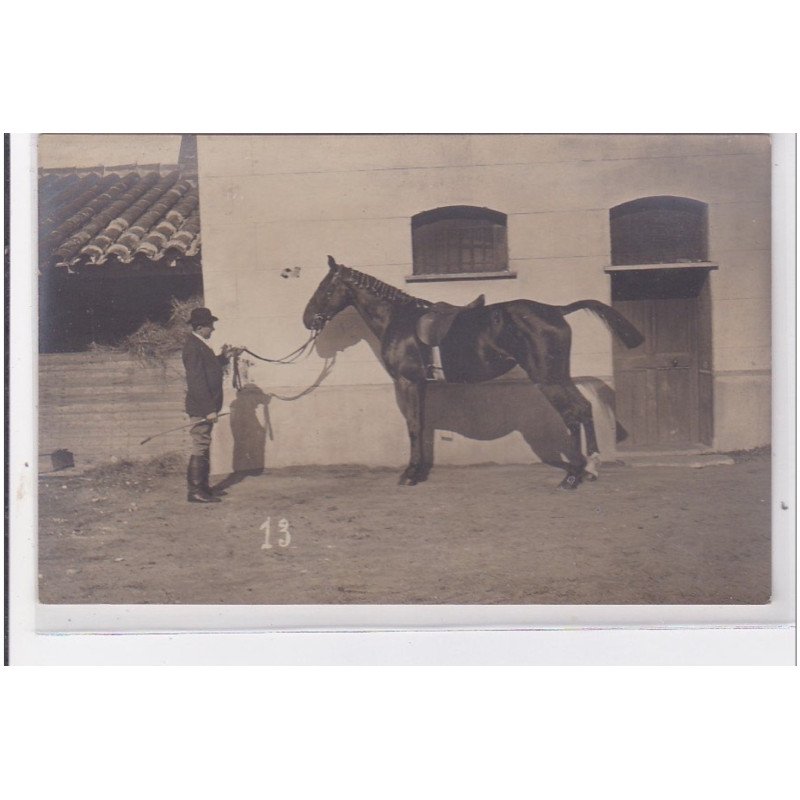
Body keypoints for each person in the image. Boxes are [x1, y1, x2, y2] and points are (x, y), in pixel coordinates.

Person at [182, 307, 241, 503]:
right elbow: (197, 381)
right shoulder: (192, 347)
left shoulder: (200, 344)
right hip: (201, 407)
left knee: (204, 444)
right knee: (200, 444)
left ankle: (204, 487)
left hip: (206, 406)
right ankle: (195, 491)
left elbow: (209, 366)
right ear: (200, 327)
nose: (213, 330)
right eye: (210, 326)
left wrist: (226, 356)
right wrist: (208, 409)